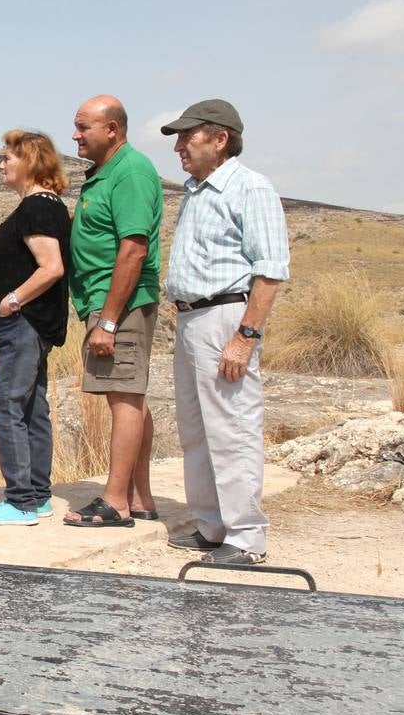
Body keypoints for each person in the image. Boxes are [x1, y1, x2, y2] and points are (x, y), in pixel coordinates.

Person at [160, 99, 289, 565]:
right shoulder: (198, 192)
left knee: (231, 426)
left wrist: (245, 336)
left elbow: (269, 271)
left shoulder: (249, 188)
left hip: (224, 317)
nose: (178, 146)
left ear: (219, 138)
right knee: (196, 428)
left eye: (187, 136)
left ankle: (247, 537)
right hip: (192, 318)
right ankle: (212, 525)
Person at [63, 95, 163, 528]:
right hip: (106, 302)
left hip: (118, 304)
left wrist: (107, 319)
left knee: (123, 396)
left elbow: (133, 249)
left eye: (84, 127)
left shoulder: (132, 171)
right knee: (129, 396)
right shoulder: (106, 173)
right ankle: (138, 496)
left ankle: (116, 500)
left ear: (113, 129)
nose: (75, 135)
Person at [0, 131, 72, 525]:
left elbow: (51, 267)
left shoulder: (36, 207)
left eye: (7, 158)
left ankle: (21, 500)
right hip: (30, 324)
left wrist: (12, 301)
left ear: (29, 161)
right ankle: (37, 495)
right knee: (32, 407)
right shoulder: (42, 206)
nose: (1, 164)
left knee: (6, 404)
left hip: (24, 324)